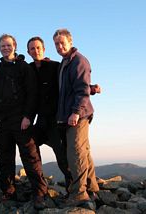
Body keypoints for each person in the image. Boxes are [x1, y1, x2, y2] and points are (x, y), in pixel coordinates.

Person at [27, 36, 101, 195]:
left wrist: (92, 88)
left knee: (65, 155)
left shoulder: (56, 66)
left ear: (44, 49)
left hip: (58, 118)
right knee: (29, 145)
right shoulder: (28, 69)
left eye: (38, 47)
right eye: (32, 48)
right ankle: (39, 188)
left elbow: (72, 83)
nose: (36, 51)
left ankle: (78, 188)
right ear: (28, 51)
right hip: (41, 119)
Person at [0, 34, 48, 210]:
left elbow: (32, 93)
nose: (5, 48)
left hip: (21, 119)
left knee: (30, 157)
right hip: (2, 122)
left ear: (14, 46)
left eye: (8, 45)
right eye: (2, 45)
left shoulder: (24, 67)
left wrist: (28, 116)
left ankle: (39, 192)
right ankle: (9, 191)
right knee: (5, 157)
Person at [52, 29, 99, 207]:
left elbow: (81, 89)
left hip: (79, 115)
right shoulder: (65, 62)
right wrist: (93, 88)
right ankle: (92, 188)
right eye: (56, 43)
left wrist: (76, 112)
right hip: (71, 114)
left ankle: (80, 193)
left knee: (75, 153)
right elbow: (76, 87)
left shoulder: (78, 60)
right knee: (83, 151)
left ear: (70, 42)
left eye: (62, 42)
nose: (59, 46)